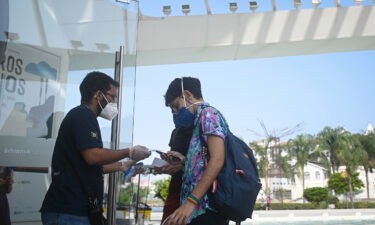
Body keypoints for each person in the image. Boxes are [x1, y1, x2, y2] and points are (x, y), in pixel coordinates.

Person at [40, 71, 151, 225]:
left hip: (76, 210)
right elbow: (93, 157)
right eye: (112, 97)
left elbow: (92, 166)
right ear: (98, 95)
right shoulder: (82, 115)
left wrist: (123, 165)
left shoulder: (86, 117)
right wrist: (129, 151)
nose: (114, 102)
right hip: (68, 211)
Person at [163, 77, 229, 225]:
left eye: (176, 107)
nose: (175, 113)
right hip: (196, 208)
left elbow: (217, 159)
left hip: (206, 207)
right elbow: (203, 162)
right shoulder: (198, 119)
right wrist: (185, 161)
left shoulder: (208, 114)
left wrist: (191, 202)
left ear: (187, 95)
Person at [158, 125, 194, 223]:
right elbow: (173, 161)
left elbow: (212, 163)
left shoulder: (205, 128)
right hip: (175, 190)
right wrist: (166, 165)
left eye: (175, 108)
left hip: (196, 194)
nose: (174, 112)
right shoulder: (176, 132)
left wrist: (184, 164)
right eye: (172, 109)